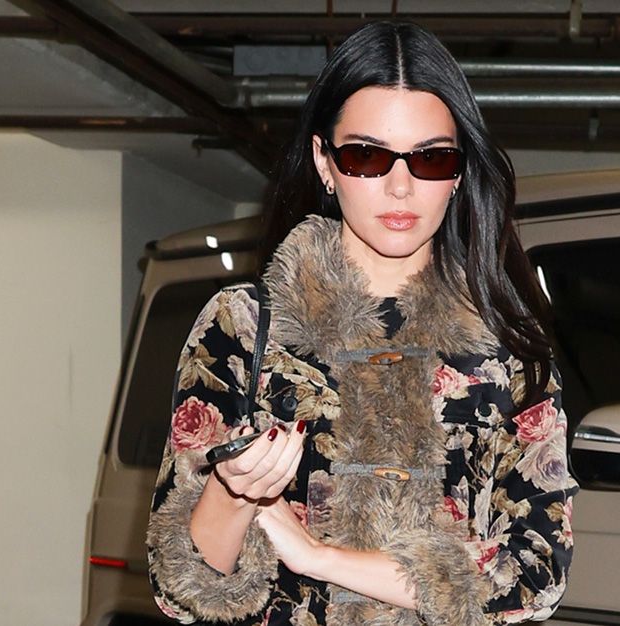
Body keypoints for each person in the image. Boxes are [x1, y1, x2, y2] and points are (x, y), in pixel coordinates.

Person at [146, 20, 578, 626]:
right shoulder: (243, 329)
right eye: (367, 156)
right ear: (325, 162)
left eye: (431, 158)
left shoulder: (507, 349)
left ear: (458, 174)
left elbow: (535, 576)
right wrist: (233, 491)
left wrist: (322, 558)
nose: (400, 186)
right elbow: (180, 588)